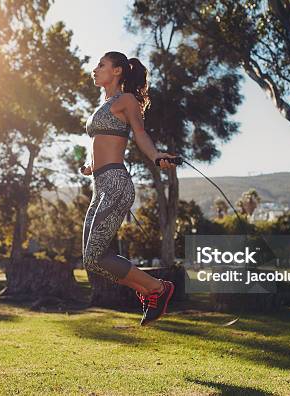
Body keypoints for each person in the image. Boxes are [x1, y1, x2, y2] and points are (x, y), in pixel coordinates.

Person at [81, 51, 177, 326]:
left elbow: (140, 133)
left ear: (118, 71)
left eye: (102, 65)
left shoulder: (127, 100)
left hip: (116, 184)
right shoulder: (105, 104)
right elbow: (102, 141)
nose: (95, 69)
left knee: (96, 254)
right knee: (91, 259)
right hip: (99, 186)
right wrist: (90, 165)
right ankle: (151, 289)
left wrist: (157, 156)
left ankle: (158, 289)